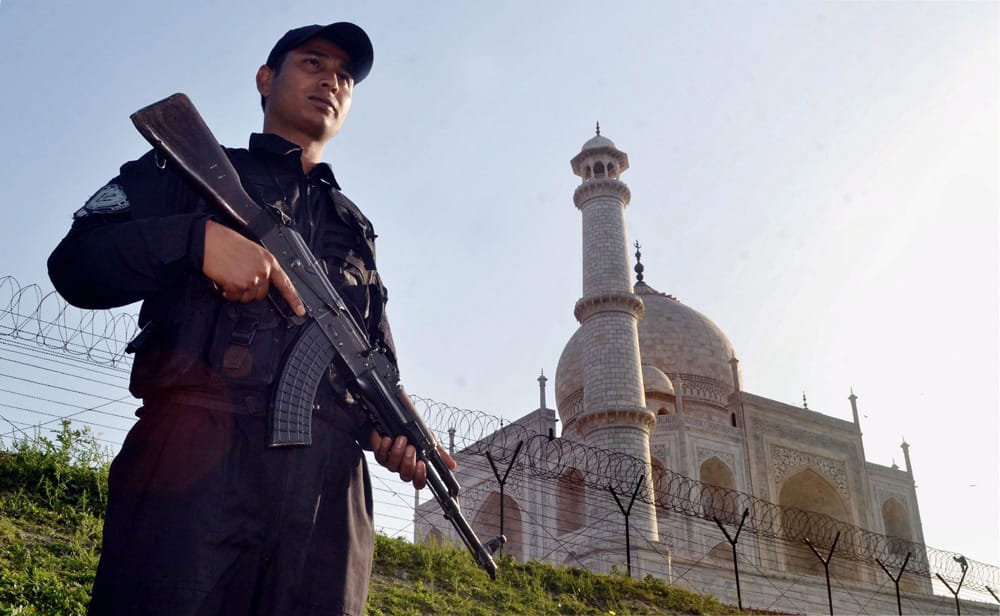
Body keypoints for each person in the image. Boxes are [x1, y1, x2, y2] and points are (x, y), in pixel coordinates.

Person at [48, 22, 451, 615]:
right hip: (194, 464)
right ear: (266, 79)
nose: (331, 82)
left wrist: (396, 431)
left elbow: (372, 357)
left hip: (327, 496)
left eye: (344, 77)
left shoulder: (354, 228)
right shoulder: (185, 172)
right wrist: (197, 240)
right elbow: (76, 263)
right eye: (313, 63)